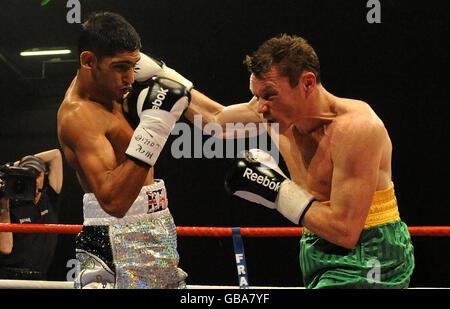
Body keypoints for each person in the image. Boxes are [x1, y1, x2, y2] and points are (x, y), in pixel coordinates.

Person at [183, 34, 415, 288]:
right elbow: (217, 121)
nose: (260, 107)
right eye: (256, 96)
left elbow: (345, 231)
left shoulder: (356, 128)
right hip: (315, 243)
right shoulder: (275, 114)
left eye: (269, 95)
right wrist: (164, 78)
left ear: (307, 83)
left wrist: (278, 190)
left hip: (371, 250)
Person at [57, 12, 191, 289]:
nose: (130, 77)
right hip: (117, 238)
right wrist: (154, 130)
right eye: (120, 67)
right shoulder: (79, 116)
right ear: (88, 61)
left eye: (133, 65)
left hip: (158, 228)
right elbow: (115, 202)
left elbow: (217, 119)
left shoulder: (114, 91)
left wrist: (169, 76)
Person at [0, 149, 63, 280]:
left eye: (36, 174)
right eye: (27, 174)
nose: (32, 179)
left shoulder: (50, 198)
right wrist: (3, 202)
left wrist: (9, 166)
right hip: (11, 277)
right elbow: (5, 248)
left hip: (40, 278)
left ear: (44, 175)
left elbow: (56, 155)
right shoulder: (9, 202)